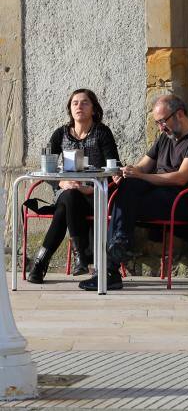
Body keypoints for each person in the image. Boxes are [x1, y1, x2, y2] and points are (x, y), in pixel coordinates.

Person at [78, 94, 188, 291]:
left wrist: (140, 177)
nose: (161, 127)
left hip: (181, 202)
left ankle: (111, 264)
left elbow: (181, 177)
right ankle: (118, 247)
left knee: (129, 190)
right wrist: (126, 172)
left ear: (179, 114)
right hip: (155, 199)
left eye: (162, 121)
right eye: (157, 123)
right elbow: (143, 167)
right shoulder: (164, 138)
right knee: (126, 186)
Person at [28, 89, 120, 283]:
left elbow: (115, 169)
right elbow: (47, 169)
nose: (79, 106)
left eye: (85, 102)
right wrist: (61, 182)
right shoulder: (60, 134)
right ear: (70, 109)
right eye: (75, 103)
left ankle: (40, 262)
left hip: (94, 195)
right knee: (69, 196)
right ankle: (81, 256)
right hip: (67, 192)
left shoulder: (102, 132)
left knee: (65, 206)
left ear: (93, 109)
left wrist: (91, 188)